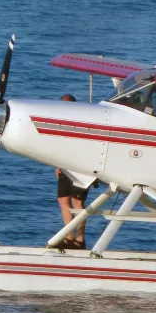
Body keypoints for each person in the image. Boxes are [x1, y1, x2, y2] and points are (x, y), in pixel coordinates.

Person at [56, 94, 89, 249]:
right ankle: (69, 236)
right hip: (65, 165)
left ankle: (80, 238)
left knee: (78, 202)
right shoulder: (61, 123)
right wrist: (57, 164)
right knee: (63, 199)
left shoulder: (82, 122)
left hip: (81, 166)